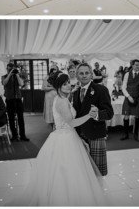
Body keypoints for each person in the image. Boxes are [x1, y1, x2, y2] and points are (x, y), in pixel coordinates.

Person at [20, 72, 109, 206]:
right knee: (65, 172)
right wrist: (90, 115)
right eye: (65, 84)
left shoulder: (63, 98)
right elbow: (72, 123)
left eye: (68, 82)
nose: (68, 85)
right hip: (64, 139)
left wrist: (80, 139)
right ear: (58, 87)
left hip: (68, 136)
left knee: (72, 172)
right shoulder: (61, 101)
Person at [2, 61, 29, 142]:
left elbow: (21, 84)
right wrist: (10, 74)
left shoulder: (18, 76)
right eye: (9, 69)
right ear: (6, 69)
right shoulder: (4, 76)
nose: (10, 70)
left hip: (17, 99)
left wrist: (16, 74)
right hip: (9, 99)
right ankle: (14, 135)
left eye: (12, 69)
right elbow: (4, 83)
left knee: (20, 118)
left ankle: (22, 135)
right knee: (10, 118)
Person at [122, 59, 139, 140]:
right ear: (132, 65)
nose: (138, 66)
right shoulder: (127, 74)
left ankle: (136, 134)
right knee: (126, 115)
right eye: (136, 65)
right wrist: (128, 96)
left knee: (137, 116)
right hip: (128, 97)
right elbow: (123, 87)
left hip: (137, 97)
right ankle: (126, 134)